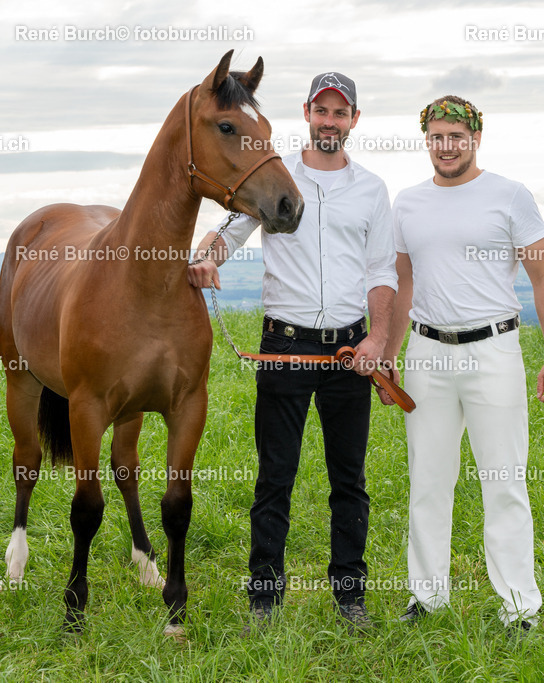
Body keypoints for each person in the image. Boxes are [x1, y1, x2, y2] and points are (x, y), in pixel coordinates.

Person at [187, 72, 397, 632]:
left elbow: (381, 272)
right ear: (307, 112)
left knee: (348, 479)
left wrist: (378, 340)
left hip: (349, 350)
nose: (329, 121)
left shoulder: (373, 191)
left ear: (354, 120)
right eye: (321, 111)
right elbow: (226, 235)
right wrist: (207, 257)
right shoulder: (274, 178)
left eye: (340, 112)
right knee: (275, 476)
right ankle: (264, 599)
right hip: (285, 345)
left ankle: (350, 597)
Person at [381, 95, 544, 634]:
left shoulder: (509, 196)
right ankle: (426, 597)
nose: (446, 147)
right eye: (437, 137)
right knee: (428, 480)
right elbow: (404, 281)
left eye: (456, 137)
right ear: (427, 141)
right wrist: (391, 357)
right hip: (425, 353)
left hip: (493, 352)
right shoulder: (408, 203)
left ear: (476, 139)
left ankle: (519, 607)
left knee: (504, 479)